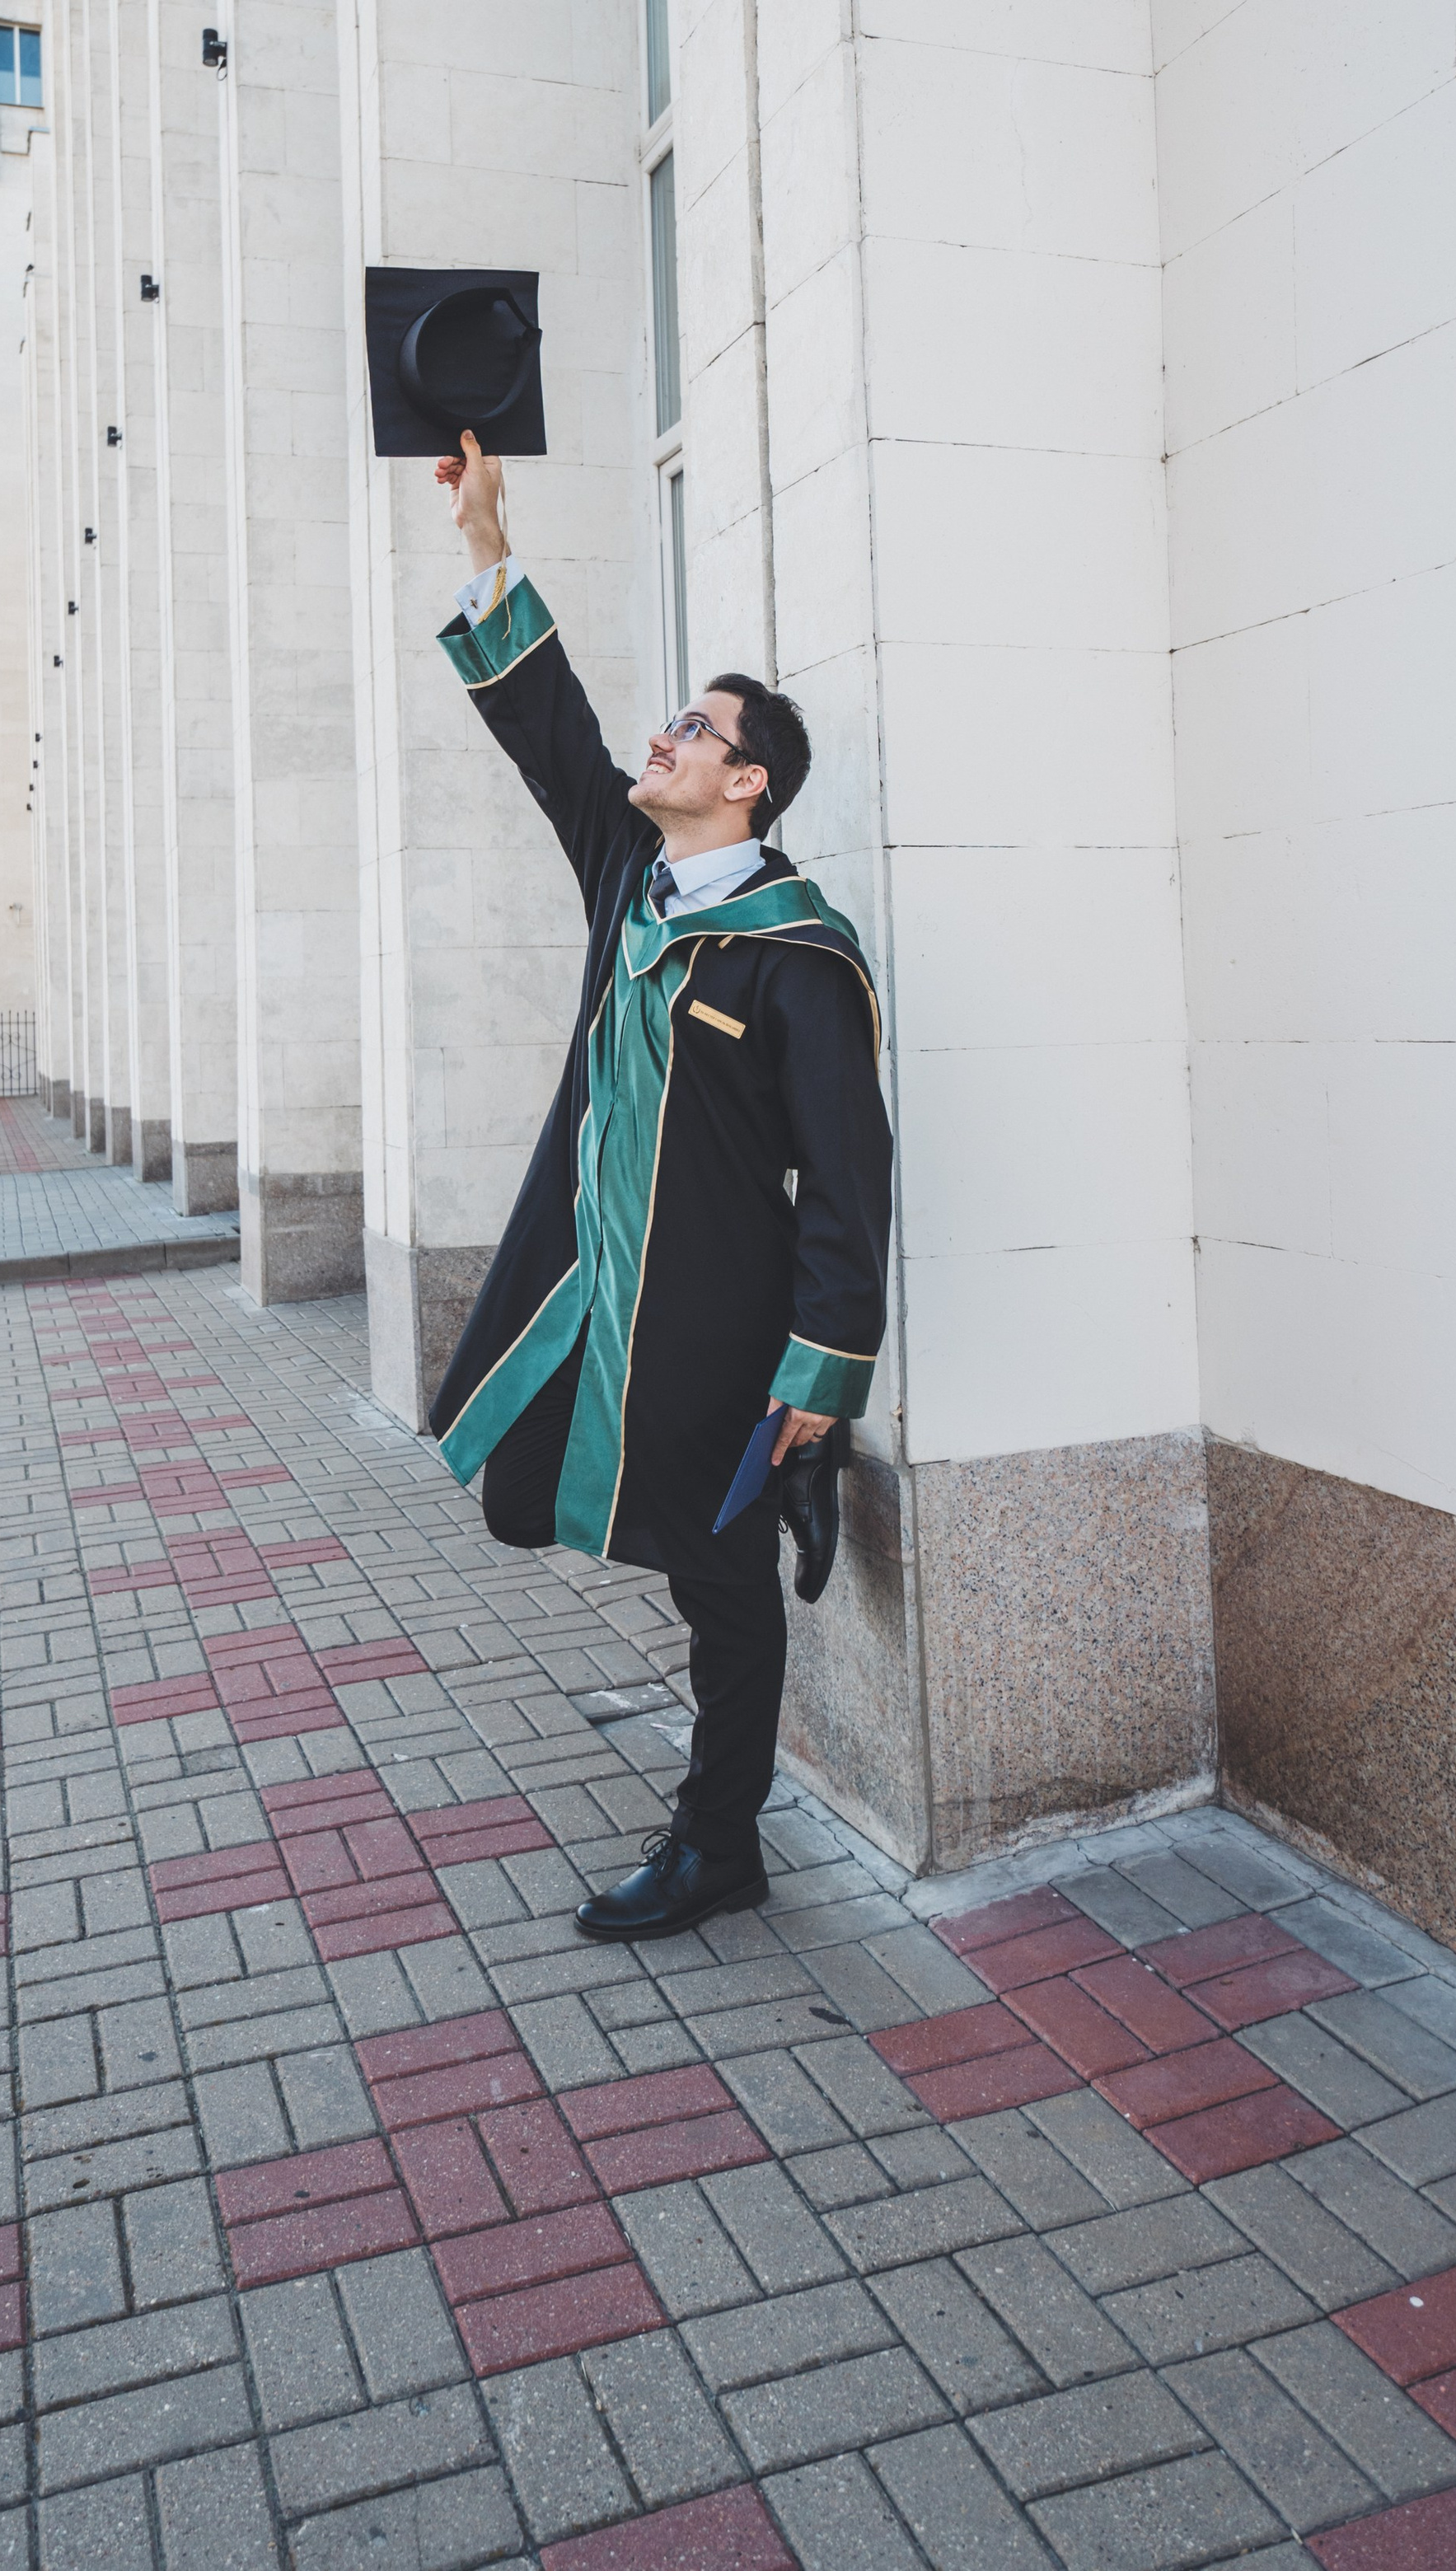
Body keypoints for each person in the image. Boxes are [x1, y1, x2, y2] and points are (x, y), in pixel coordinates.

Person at [430, 433, 892, 1941]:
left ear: (747, 781)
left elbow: (849, 1178)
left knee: (721, 1585)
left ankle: (718, 1843)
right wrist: (488, 541)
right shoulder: (628, 884)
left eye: (694, 729)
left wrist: (818, 1375)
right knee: (533, 1489)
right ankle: (719, 1793)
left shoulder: (798, 955)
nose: (663, 736)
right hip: (589, 1285)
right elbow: (551, 731)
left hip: (716, 1316)